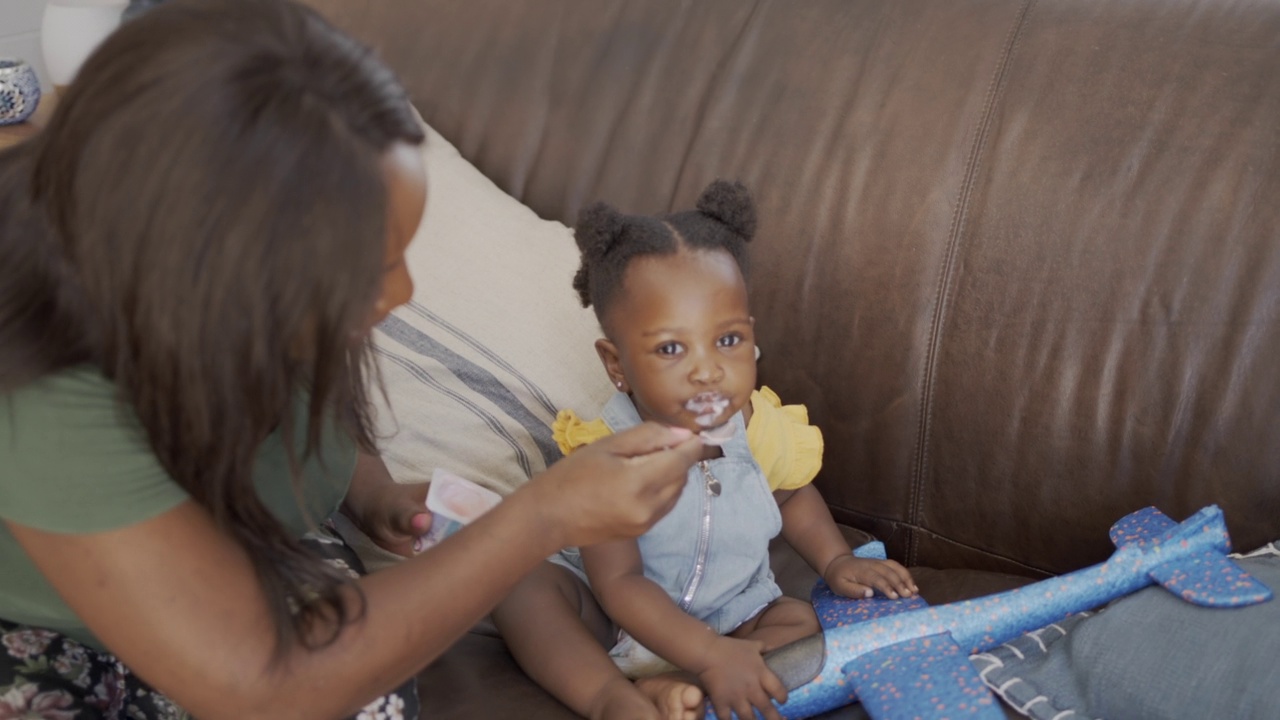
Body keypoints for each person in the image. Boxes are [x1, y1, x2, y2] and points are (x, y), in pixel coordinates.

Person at [0, 1, 705, 718]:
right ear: (210, 276)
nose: (398, 295)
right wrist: (540, 519)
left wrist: (366, 488)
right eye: (367, 271)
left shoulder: (267, 288)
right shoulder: (48, 388)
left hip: (262, 559)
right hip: (58, 636)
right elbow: (260, 682)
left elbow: (311, 392)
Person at [492, 180, 919, 720]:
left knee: (801, 624)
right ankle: (609, 697)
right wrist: (711, 651)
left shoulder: (760, 427)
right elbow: (619, 583)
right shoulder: (607, 457)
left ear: (751, 334)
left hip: (733, 613)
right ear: (617, 364)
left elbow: (791, 497)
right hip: (612, 616)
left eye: (727, 340)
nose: (707, 368)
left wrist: (835, 561)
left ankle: (682, 684)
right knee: (524, 589)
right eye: (671, 348)